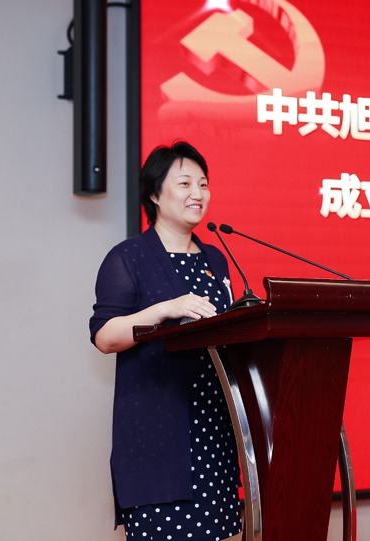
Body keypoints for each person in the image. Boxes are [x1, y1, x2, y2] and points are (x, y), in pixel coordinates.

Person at [90, 142, 242, 541]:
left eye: (204, 184)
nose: (198, 193)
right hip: (157, 434)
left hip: (213, 430)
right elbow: (105, 336)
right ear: (154, 195)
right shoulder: (129, 258)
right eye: (185, 183)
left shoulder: (215, 258)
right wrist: (162, 309)